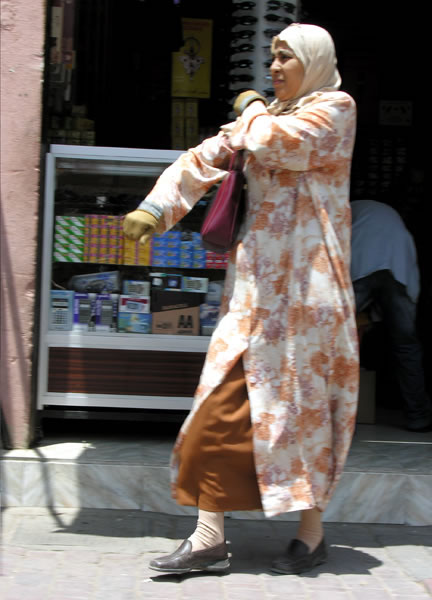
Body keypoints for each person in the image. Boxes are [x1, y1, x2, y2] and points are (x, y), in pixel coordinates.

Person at [123, 23, 359, 575]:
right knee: (219, 408)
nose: (274, 67)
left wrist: (251, 107)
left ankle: (311, 536)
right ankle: (208, 539)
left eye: (286, 57)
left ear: (313, 62)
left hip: (311, 301)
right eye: (272, 57)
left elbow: (282, 145)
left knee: (308, 415)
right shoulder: (263, 117)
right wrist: (155, 208)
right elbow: (202, 158)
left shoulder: (334, 110)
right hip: (255, 296)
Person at [350, 199, 432, 431]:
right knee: (407, 345)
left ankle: (326, 414)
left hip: (361, 263)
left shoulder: (345, 208)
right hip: (398, 267)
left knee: (332, 338)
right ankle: (418, 417)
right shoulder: (387, 216)